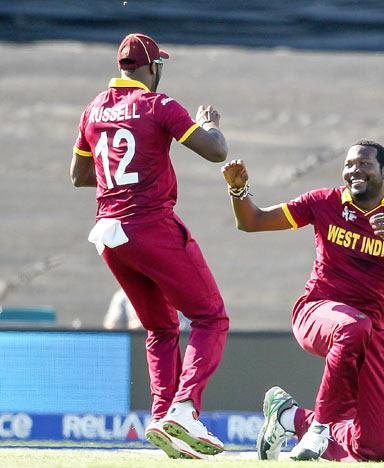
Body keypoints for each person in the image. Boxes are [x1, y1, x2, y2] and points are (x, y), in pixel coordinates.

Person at [222, 140, 384, 462]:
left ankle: (290, 418)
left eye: (364, 164)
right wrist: (239, 192)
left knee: (376, 450)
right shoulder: (324, 201)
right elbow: (252, 221)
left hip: (373, 331)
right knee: (352, 326)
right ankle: (318, 429)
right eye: (349, 165)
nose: (355, 170)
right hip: (318, 310)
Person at [70, 33, 230, 459]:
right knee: (210, 317)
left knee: (161, 328)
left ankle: (162, 416)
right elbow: (216, 152)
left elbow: (79, 176)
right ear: (153, 68)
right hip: (150, 225)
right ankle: (184, 407)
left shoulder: (93, 108)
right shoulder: (158, 105)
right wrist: (211, 124)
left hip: (109, 232)